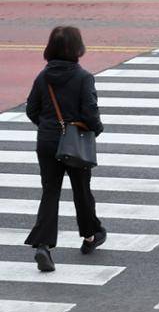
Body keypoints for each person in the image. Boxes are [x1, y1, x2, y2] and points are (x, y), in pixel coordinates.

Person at [24, 26, 106, 272]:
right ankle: (90, 235)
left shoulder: (43, 77)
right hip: (75, 141)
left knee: (50, 191)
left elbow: (31, 109)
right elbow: (90, 112)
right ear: (77, 48)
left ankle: (43, 245)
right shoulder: (83, 77)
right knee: (81, 189)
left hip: (47, 141)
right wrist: (96, 129)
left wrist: (48, 127)